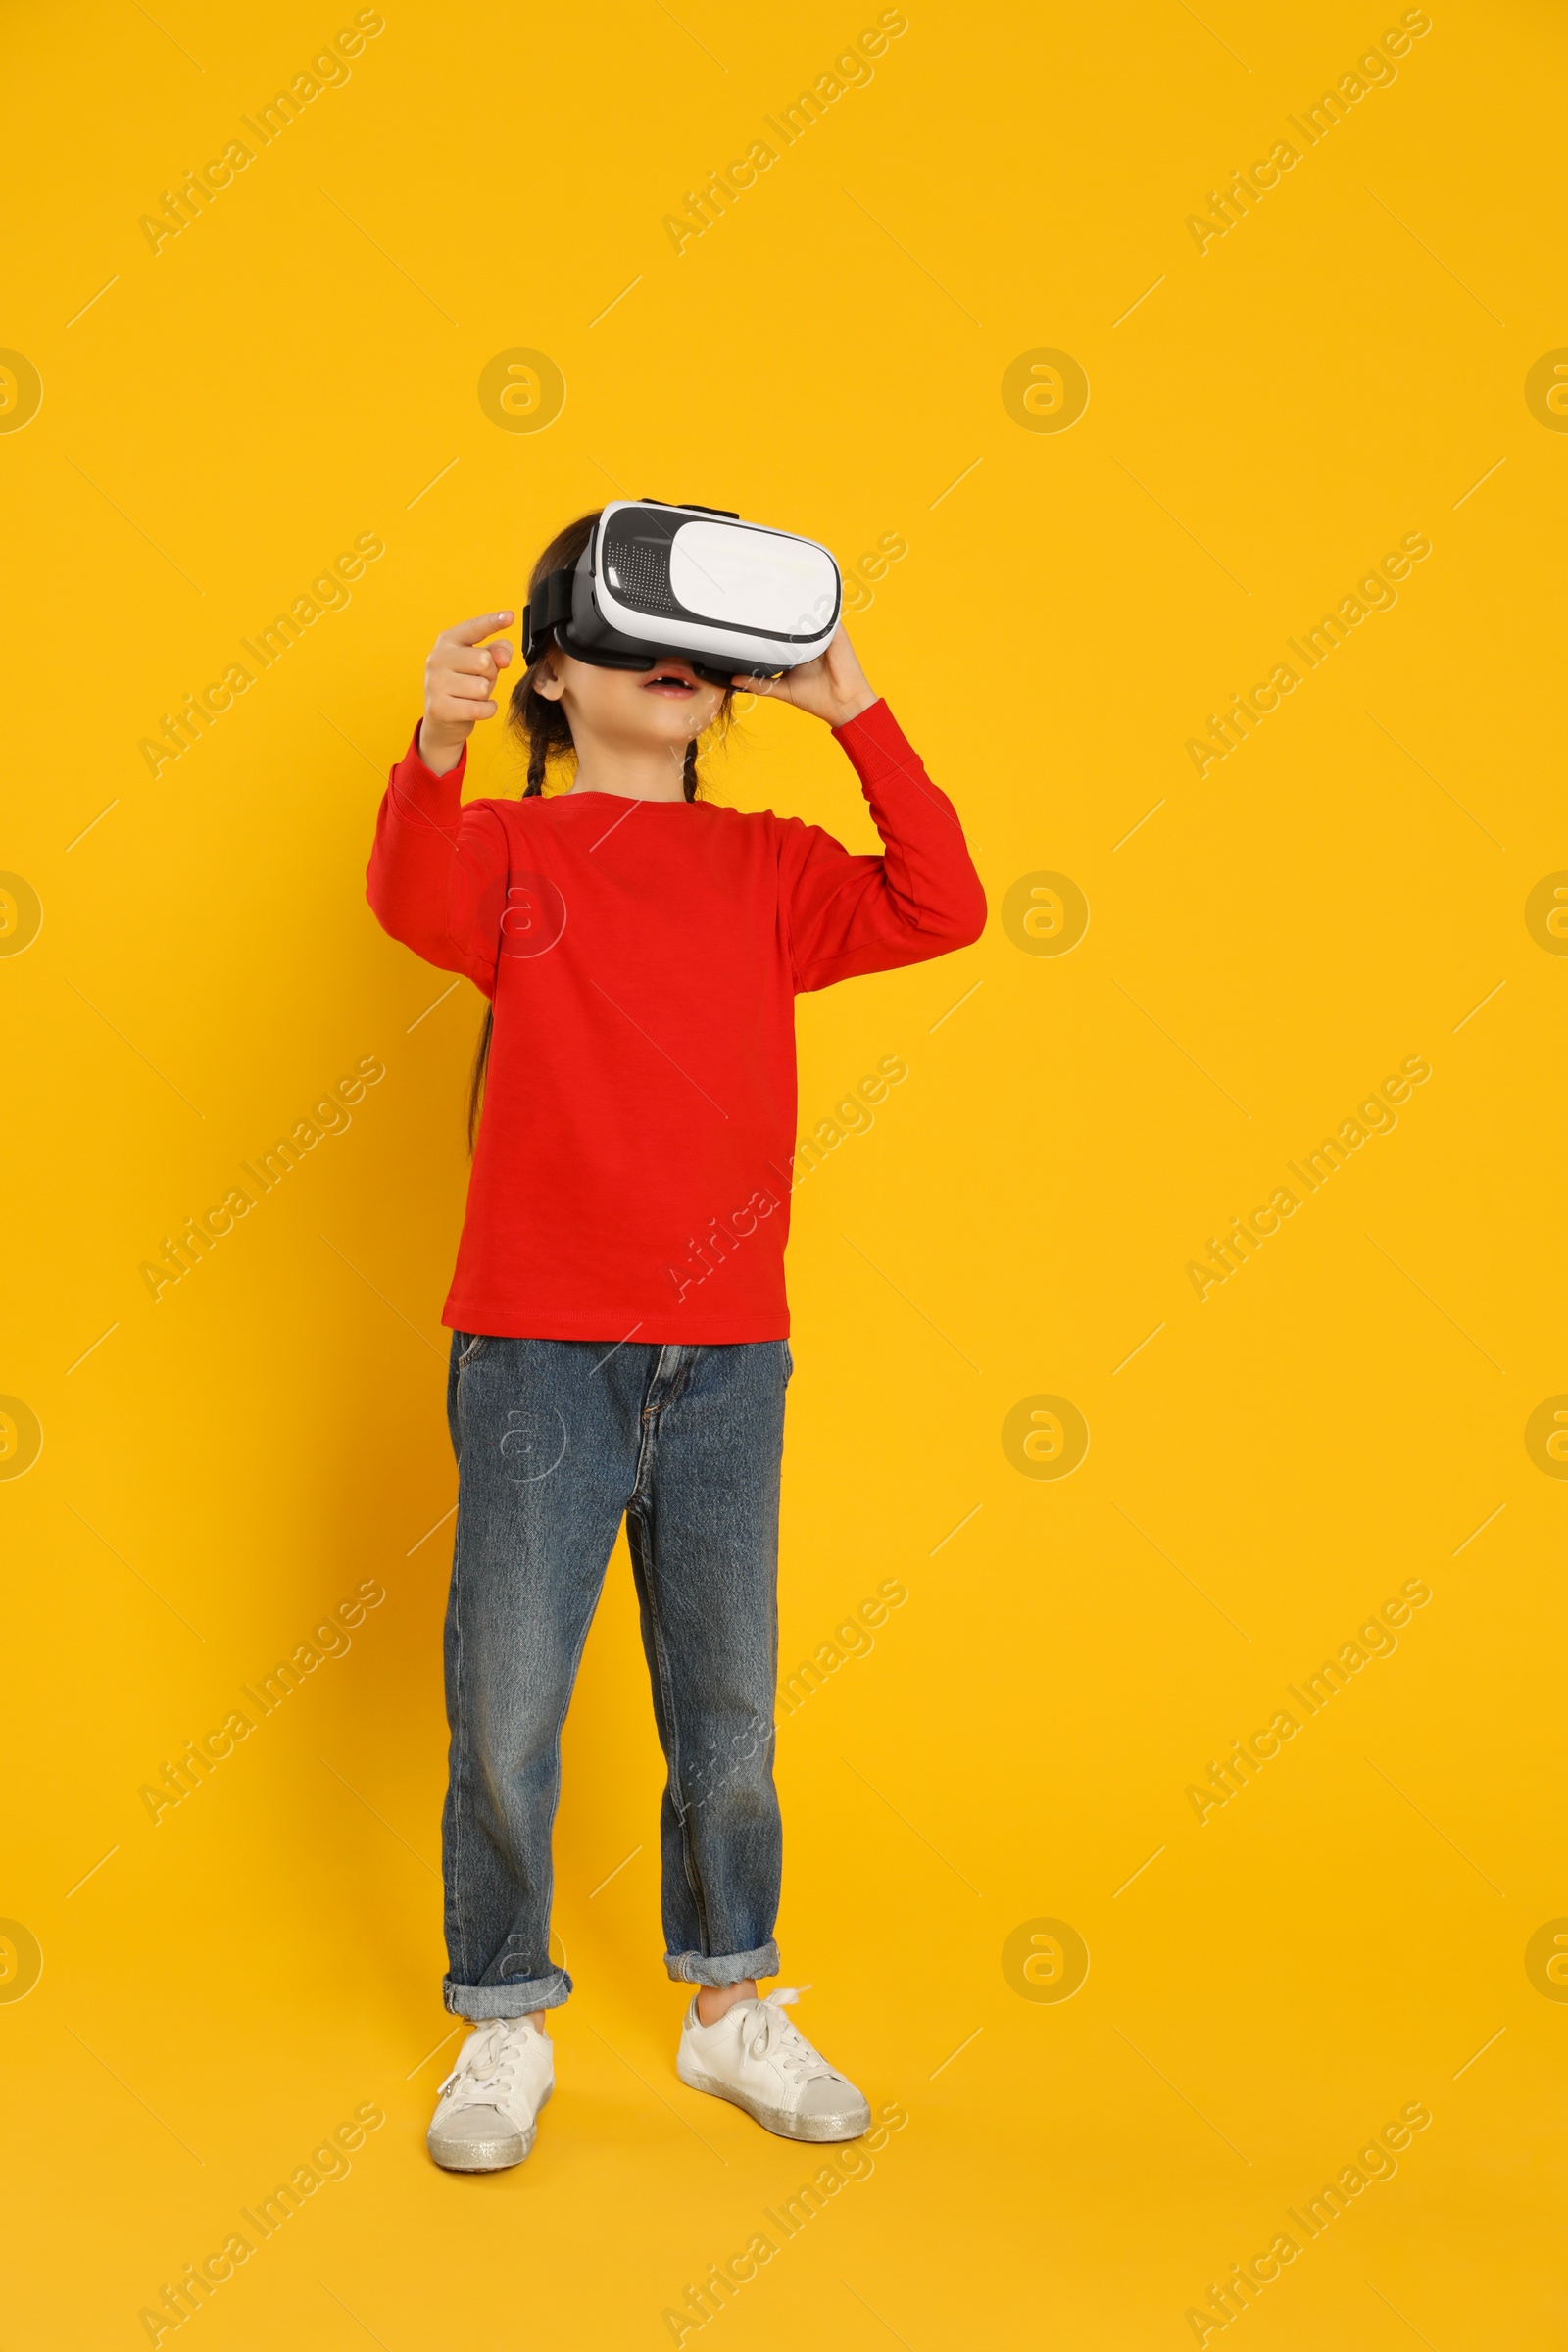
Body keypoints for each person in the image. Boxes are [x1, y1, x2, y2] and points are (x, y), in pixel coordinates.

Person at [366, 507, 985, 2172]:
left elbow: (945, 904)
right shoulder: (505, 849)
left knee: (728, 1707)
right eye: (631, 643)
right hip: (539, 1349)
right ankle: (502, 2019)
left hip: (727, 1356)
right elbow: (409, 898)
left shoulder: (773, 869)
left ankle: (732, 2012)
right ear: (553, 675)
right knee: (507, 1702)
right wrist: (433, 745)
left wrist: (854, 706)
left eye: (705, 657)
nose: (678, 670)